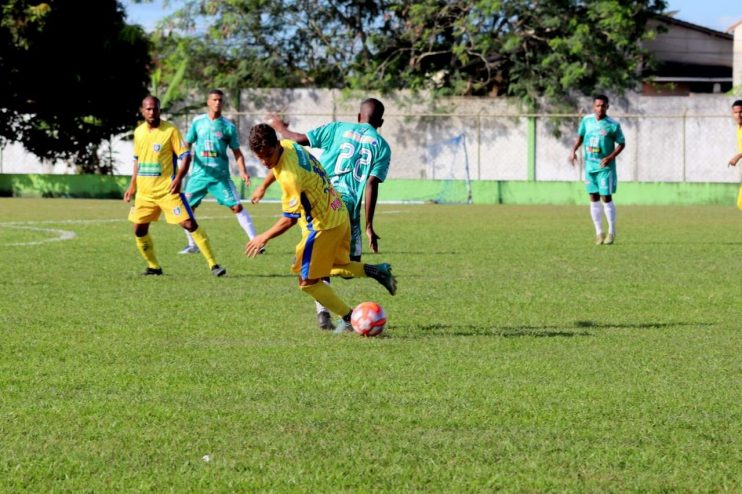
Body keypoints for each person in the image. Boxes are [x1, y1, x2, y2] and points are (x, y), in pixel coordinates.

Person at [244, 123, 396, 332]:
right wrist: (262, 186)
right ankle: (377, 271)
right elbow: (275, 167)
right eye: (259, 157)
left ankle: (350, 318)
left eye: (268, 155)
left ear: (276, 145)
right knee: (337, 265)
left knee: (307, 281)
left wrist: (264, 237)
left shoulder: (291, 177)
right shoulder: (288, 146)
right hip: (338, 212)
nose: (265, 162)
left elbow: (289, 219)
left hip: (321, 226)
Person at [124, 95, 226, 277]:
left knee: (188, 223)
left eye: (155, 108)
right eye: (148, 109)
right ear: (142, 111)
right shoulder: (138, 132)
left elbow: (185, 156)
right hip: (145, 193)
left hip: (167, 190)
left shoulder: (170, 131)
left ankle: (213, 264)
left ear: (159, 110)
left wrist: (179, 178)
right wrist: (132, 185)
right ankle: (154, 266)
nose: (152, 112)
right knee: (139, 229)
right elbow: (137, 160)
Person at [178, 89, 262, 254]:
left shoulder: (228, 127)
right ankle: (192, 245)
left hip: (220, 177)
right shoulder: (197, 122)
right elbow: (186, 145)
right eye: (214, 100)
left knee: (237, 207)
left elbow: (237, 153)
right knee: (186, 210)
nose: (217, 103)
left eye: (220, 100)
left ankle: (256, 242)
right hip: (198, 175)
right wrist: (182, 163)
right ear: (208, 102)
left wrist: (243, 172)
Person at [569, 94, 626, 245]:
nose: (600, 108)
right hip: (590, 167)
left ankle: (612, 232)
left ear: (607, 107)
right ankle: (599, 233)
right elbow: (581, 137)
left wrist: (610, 157)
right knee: (593, 198)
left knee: (606, 198)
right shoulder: (587, 120)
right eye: (597, 105)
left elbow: (622, 143)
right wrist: (573, 150)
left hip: (605, 168)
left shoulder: (613, 125)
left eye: (603, 105)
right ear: (594, 107)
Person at [727, 100, 742, 209]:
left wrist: (738, 156)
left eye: (741, 112)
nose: (738, 115)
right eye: (736, 112)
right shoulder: (739, 128)